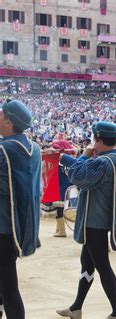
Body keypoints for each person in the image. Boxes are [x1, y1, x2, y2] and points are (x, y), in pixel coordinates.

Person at [56, 121, 116, 319]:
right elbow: (85, 168)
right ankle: (76, 307)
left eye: (94, 140)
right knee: (87, 264)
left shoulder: (102, 162)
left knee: (102, 265)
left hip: (95, 221)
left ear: (99, 140)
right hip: (97, 219)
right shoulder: (114, 158)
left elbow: (79, 177)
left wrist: (84, 155)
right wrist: (65, 158)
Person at [0, 99, 41, 319]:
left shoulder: (4, 149)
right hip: (18, 226)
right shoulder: (33, 148)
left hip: (3, 227)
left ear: (8, 121)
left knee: (9, 287)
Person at [50, 139, 76, 237]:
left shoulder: (60, 161)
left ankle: (61, 231)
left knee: (60, 209)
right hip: (70, 187)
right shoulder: (72, 159)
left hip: (62, 187)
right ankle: (59, 229)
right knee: (61, 209)